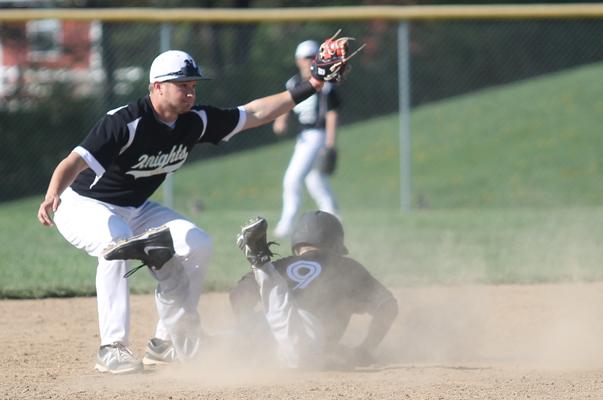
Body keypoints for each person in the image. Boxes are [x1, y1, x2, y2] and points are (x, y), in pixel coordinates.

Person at [36, 49, 328, 374]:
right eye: (182, 85)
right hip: (80, 203)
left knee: (198, 243)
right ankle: (112, 347)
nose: (190, 92)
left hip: (136, 208)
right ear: (157, 86)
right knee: (114, 242)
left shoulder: (195, 121)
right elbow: (74, 161)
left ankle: (167, 341)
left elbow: (255, 113)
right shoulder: (126, 121)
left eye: (192, 86)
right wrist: (53, 193)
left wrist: (312, 84)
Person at [231, 211, 398, 369]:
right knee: (298, 348)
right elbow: (387, 305)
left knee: (236, 339)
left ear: (297, 246)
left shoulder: (281, 265)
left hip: (267, 329)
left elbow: (238, 295)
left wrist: (249, 331)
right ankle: (260, 263)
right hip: (305, 337)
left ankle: (261, 265)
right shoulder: (346, 267)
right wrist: (365, 350)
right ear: (335, 245)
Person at [272, 40, 342, 238]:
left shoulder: (325, 84)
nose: (311, 60)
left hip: (316, 134)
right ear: (298, 60)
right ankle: (334, 217)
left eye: (314, 56)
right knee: (315, 180)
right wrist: (280, 120)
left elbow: (331, 113)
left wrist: (330, 143)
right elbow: (285, 102)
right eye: (307, 57)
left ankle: (287, 223)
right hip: (303, 136)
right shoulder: (293, 83)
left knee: (292, 179)